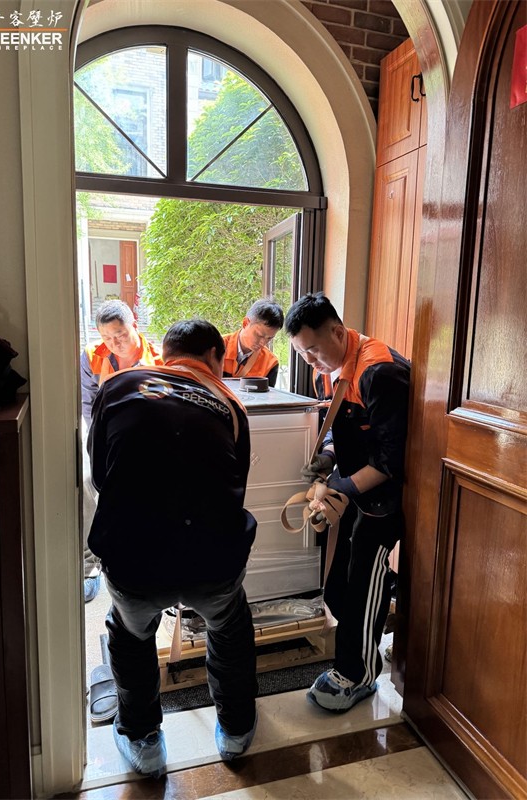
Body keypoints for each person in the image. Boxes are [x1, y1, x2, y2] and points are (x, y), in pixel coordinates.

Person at [87, 319, 258, 777]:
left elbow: (101, 475)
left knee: (130, 634)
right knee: (230, 627)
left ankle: (144, 742)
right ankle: (237, 730)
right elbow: (236, 483)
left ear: (165, 355)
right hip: (212, 561)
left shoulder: (118, 386)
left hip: (134, 560)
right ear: (215, 358)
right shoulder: (229, 402)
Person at [285, 292, 410, 712]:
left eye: (313, 350)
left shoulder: (380, 372)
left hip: (385, 500)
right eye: (301, 353)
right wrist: (327, 457)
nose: (310, 361)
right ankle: (363, 653)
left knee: (363, 588)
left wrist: (339, 487)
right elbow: (345, 430)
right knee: (338, 587)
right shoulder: (331, 368)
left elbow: (391, 461)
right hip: (356, 493)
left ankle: (358, 675)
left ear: (337, 332)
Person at [80, 299, 163, 603]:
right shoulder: (91, 356)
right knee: (86, 480)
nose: (114, 344)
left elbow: (162, 413)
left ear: (134, 327)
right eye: (106, 338)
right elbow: (87, 404)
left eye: (120, 335)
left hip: (145, 439)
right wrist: (101, 442)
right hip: (104, 434)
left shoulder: (158, 360)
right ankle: (90, 565)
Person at [222, 299, 284, 387]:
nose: (263, 343)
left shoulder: (270, 363)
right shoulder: (215, 346)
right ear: (245, 323)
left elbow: (266, 395)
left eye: (269, 338)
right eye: (259, 335)